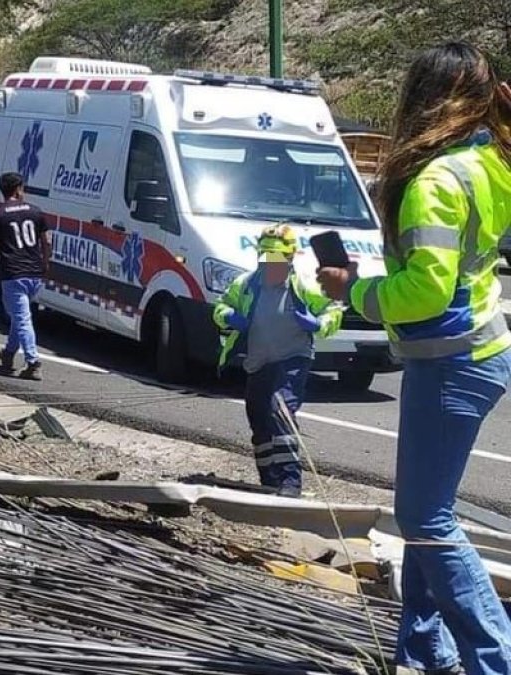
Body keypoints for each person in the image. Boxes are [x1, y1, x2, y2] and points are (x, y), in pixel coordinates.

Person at [317, 42, 511, 675]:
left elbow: (426, 289)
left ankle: (494, 658)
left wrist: (357, 292)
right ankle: (427, 651)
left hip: (451, 360)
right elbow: (451, 271)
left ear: (423, 97)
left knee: (423, 516)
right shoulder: (487, 161)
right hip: (478, 349)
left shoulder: (433, 180)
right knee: (433, 514)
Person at [212, 225, 341, 497]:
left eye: (277, 259)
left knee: (279, 410)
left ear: (291, 257)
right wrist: (230, 317)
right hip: (258, 362)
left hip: (292, 358)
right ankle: (269, 480)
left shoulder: (303, 286)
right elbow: (221, 307)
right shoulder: (246, 285)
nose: (271, 265)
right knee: (258, 417)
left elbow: (333, 310)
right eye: (265, 258)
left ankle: (290, 483)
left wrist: (317, 323)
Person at [0, 171, 51, 381]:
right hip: (34, 274)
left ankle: (33, 362)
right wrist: (45, 263)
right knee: (21, 316)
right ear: (18, 189)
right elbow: (47, 241)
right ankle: (8, 353)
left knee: (22, 318)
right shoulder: (36, 211)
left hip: (12, 273)